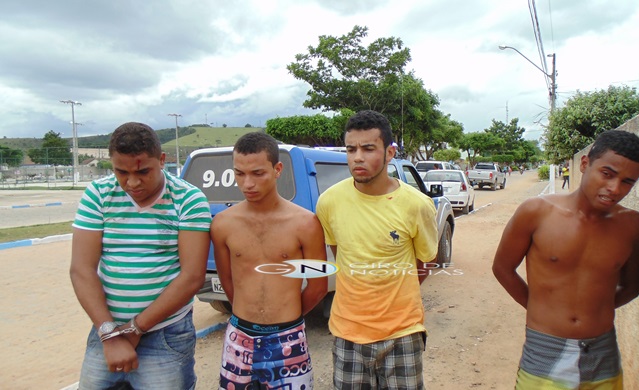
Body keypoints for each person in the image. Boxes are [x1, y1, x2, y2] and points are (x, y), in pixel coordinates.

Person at [492, 130, 639, 389]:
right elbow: (502, 268)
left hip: (603, 351)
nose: (615, 188)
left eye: (628, 182)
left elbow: (632, 287)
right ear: (585, 164)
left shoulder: (633, 226)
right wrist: (540, 307)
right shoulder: (536, 212)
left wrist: (595, 309)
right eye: (607, 174)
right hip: (545, 348)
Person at [70, 122, 212, 389]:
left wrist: (136, 328)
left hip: (166, 334)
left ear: (161, 160)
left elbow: (192, 277)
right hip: (105, 331)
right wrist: (109, 334)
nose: (132, 182)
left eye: (143, 171)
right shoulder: (98, 195)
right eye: (121, 172)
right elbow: (81, 269)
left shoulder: (188, 199)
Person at [316, 110, 438, 389]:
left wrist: (394, 294)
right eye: (351, 149)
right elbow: (340, 254)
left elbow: (424, 264)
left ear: (390, 152)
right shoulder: (330, 202)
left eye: (368, 148)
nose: (358, 157)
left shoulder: (416, 205)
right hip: (348, 332)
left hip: (403, 333)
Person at [211, 132, 327, 389]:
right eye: (239, 174)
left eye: (257, 173)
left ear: (277, 169)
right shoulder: (222, 224)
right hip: (239, 335)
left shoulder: (305, 223)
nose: (247, 183)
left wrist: (287, 318)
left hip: (288, 337)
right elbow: (227, 279)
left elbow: (318, 287)